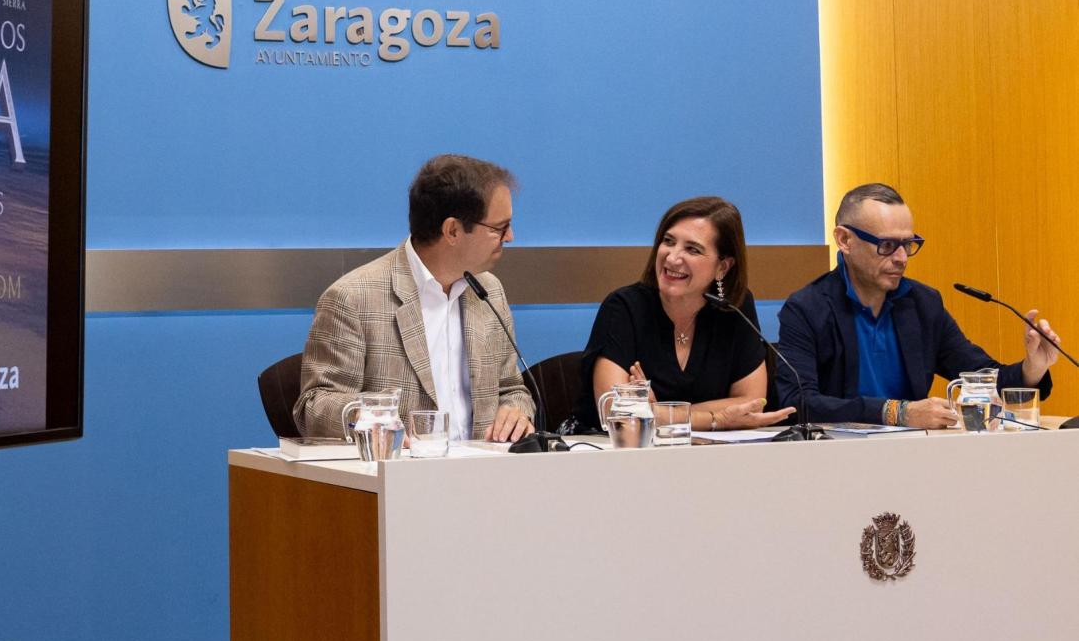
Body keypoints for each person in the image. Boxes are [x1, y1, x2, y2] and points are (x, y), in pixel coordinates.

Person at [775, 183, 1061, 427]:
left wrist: (1031, 368)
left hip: (914, 456)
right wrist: (898, 413)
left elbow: (978, 376)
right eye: (886, 245)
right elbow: (798, 402)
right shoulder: (806, 309)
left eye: (908, 244)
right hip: (835, 459)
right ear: (845, 239)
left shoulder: (924, 304)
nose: (901, 258)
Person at [294, 154, 536, 443]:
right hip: (397, 477)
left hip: (483, 474)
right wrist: (367, 417)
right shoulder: (353, 298)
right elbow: (315, 406)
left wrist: (515, 412)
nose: (510, 236)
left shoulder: (489, 291)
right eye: (499, 228)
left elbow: (512, 389)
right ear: (453, 231)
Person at [576, 196, 796, 432]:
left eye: (692, 249)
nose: (672, 258)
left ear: (723, 266)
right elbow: (617, 414)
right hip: (609, 452)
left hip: (708, 454)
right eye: (668, 241)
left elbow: (750, 404)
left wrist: (659, 412)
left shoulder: (734, 308)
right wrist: (716, 419)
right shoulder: (624, 307)